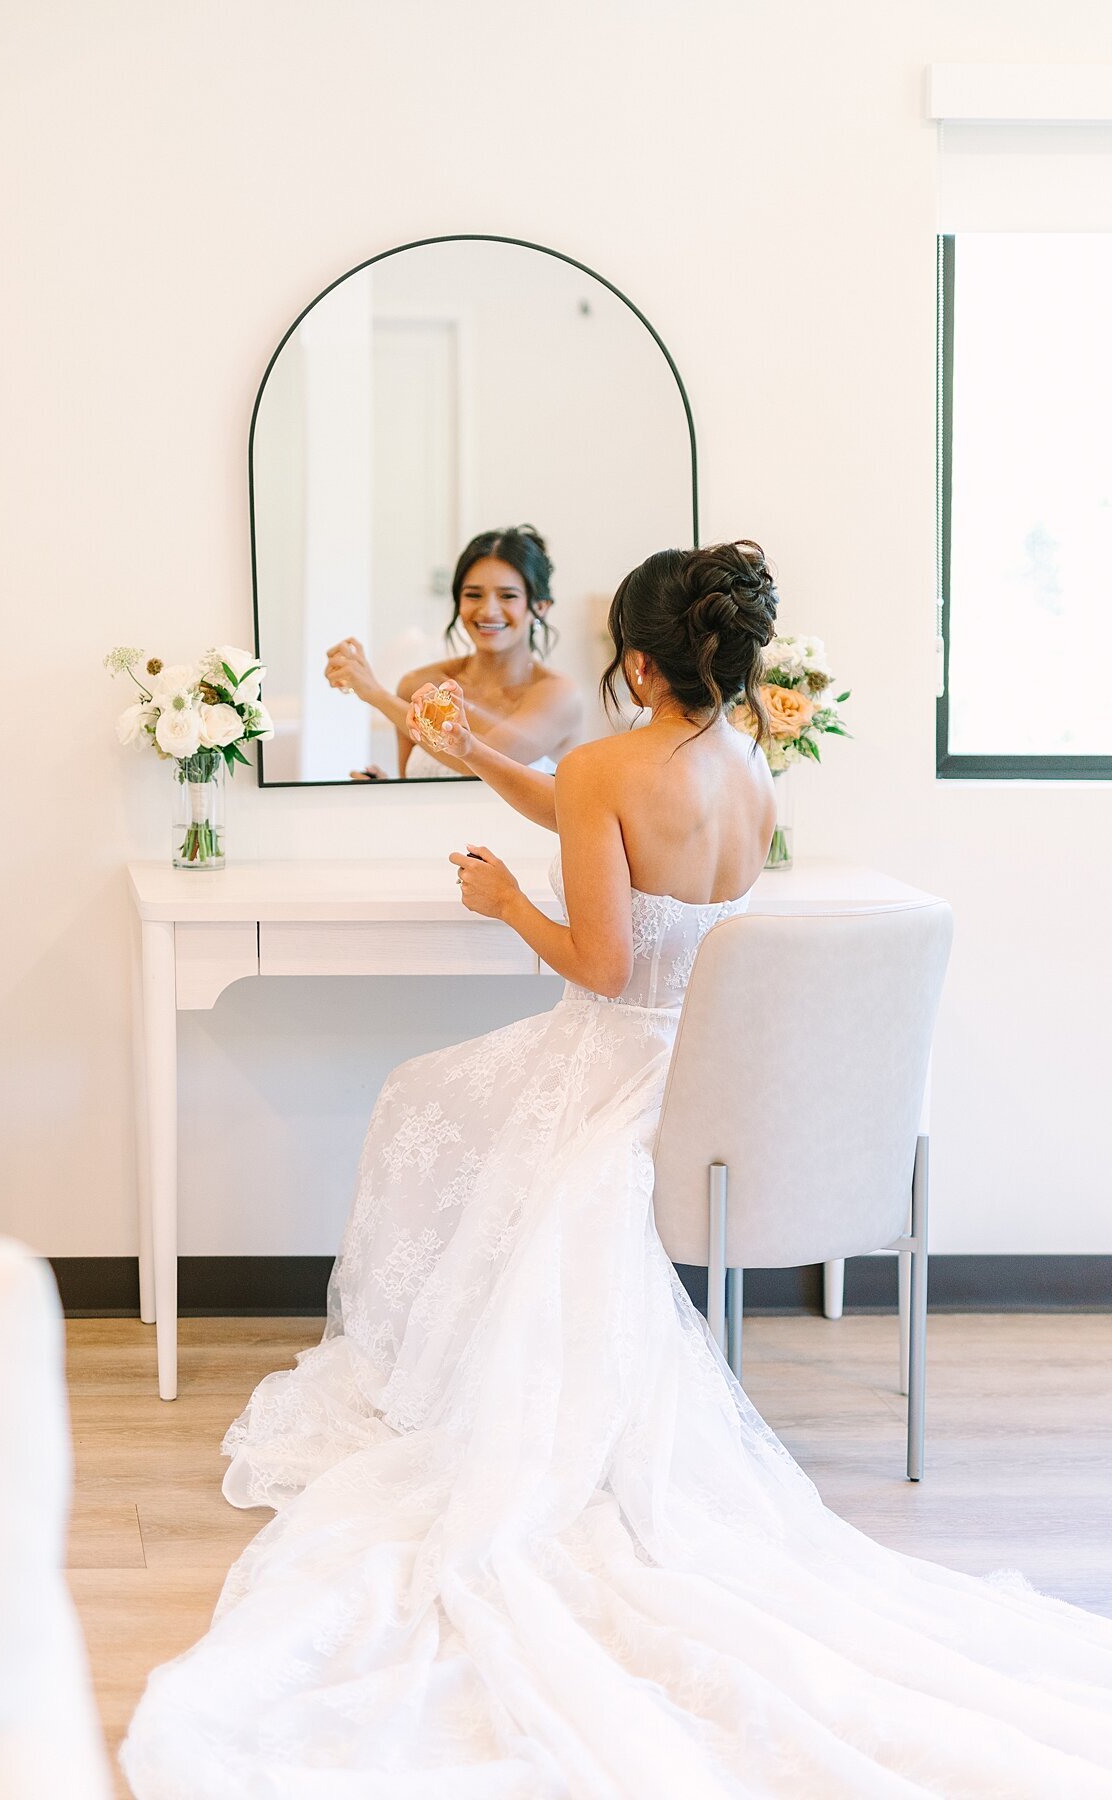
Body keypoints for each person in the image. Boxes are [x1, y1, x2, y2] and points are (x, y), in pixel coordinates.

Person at [123, 543, 1112, 1797]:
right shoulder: (751, 762)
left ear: (637, 662)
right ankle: (476, 1357)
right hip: (715, 1079)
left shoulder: (607, 766)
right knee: (452, 1105)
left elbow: (599, 962)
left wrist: (502, 904)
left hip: (620, 1063)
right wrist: (481, 758)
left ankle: (450, 1376)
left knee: (420, 1094)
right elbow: (588, 816)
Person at [324, 524, 582, 779]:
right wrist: (384, 789)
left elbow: (484, 763)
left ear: (540, 607)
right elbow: (415, 792)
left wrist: (376, 694)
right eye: (473, 595)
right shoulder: (419, 685)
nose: (488, 611)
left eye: (507, 596)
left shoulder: (558, 695)